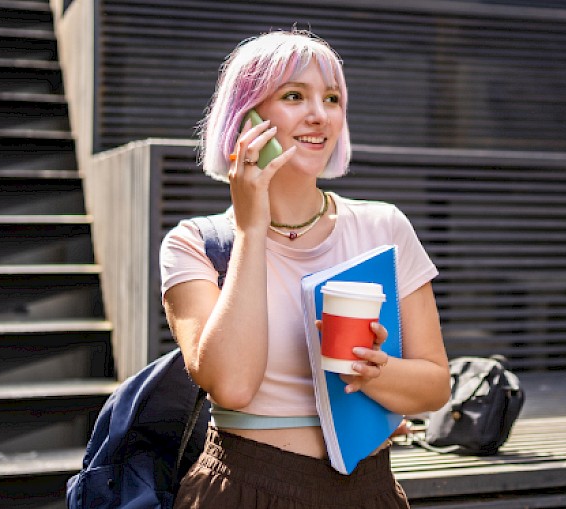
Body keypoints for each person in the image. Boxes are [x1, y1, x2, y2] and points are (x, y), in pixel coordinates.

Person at [160, 29, 450, 509]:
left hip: (367, 489)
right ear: (245, 118)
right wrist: (252, 231)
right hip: (245, 488)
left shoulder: (384, 227)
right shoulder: (195, 243)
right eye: (294, 96)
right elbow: (232, 385)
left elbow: (435, 386)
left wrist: (375, 372)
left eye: (332, 98)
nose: (320, 114)